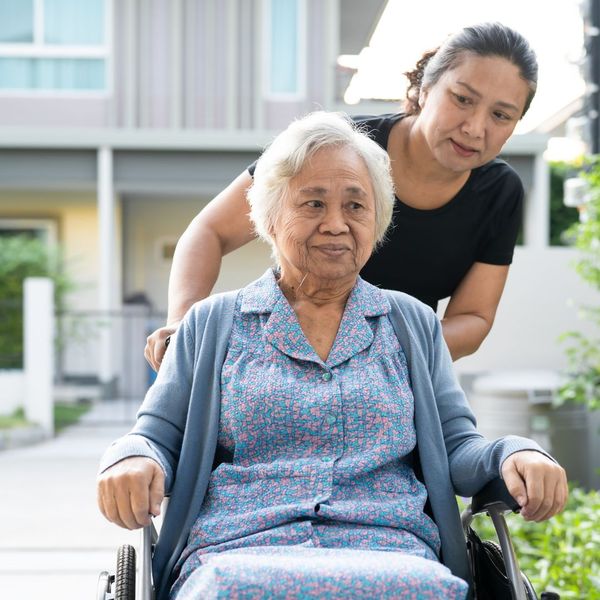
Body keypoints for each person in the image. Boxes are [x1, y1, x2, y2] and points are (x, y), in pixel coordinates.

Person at [98, 112, 567, 600]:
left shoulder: (412, 325)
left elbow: (457, 446)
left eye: (356, 206)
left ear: (377, 221)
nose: (336, 224)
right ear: (271, 217)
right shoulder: (211, 324)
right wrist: (129, 457)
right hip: (240, 549)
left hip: (392, 551)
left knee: (426, 589)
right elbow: (155, 435)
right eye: (314, 203)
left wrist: (514, 451)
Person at [145, 21, 539, 370]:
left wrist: (377, 353)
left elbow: (473, 318)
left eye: (501, 115)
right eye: (463, 98)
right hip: (279, 361)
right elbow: (209, 230)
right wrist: (183, 324)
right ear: (425, 89)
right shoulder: (336, 146)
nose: (474, 128)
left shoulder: (500, 193)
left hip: (396, 375)